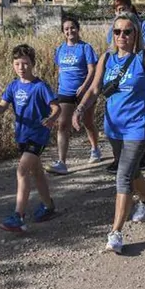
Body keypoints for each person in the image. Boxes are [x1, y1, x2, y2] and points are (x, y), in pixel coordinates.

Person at [73, 12, 145, 254]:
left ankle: (115, 232)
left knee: (123, 176)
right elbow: (95, 88)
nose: (122, 36)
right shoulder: (106, 58)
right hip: (113, 127)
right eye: (117, 32)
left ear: (136, 34)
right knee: (132, 169)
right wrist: (80, 109)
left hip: (138, 127)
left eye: (127, 31)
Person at [0, 44, 60, 232]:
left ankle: (18, 215)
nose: (21, 67)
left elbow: (56, 108)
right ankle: (48, 206)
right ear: (13, 65)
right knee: (37, 173)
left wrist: (51, 119)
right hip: (22, 136)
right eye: (17, 64)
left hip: (38, 136)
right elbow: (3, 108)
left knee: (21, 170)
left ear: (32, 64)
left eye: (25, 63)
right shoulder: (13, 86)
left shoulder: (40, 86)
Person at [105, 0, 145, 172]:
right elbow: (112, 47)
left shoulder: (144, 26)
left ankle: (142, 153)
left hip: (138, 72)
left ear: (130, 8)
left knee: (125, 175)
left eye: (123, 8)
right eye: (117, 10)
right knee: (129, 172)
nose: (121, 35)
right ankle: (144, 197)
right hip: (119, 72)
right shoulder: (115, 28)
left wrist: (143, 62)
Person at [45, 16, 100, 175]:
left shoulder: (85, 48)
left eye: (72, 27)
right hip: (65, 92)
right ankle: (62, 162)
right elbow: (60, 69)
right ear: (63, 32)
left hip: (84, 91)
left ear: (78, 28)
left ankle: (95, 148)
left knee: (88, 122)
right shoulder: (60, 49)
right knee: (62, 124)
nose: (70, 31)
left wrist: (84, 86)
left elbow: (92, 70)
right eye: (66, 29)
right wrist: (59, 85)